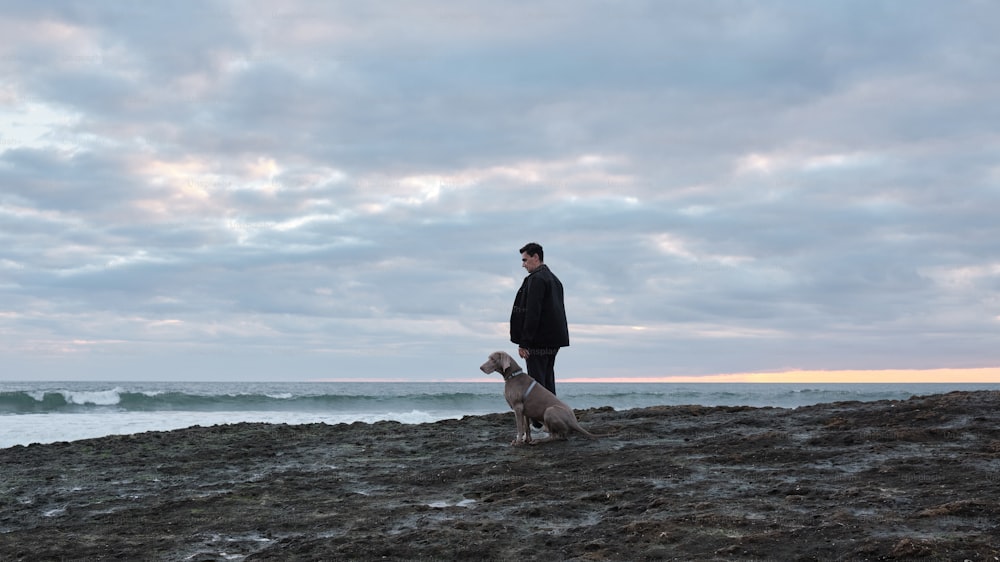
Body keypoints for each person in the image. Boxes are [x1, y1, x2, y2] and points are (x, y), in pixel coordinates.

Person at [509, 242, 569, 409]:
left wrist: (525, 342)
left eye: (525, 260)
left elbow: (532, 313)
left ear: (536, 257)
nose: (523, 265)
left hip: (538, 340)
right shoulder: (554, 279)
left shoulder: (537, 279)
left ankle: (541, 419)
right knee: (547, 379)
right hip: (553, 339)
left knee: (537, 383)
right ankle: (553, 415)